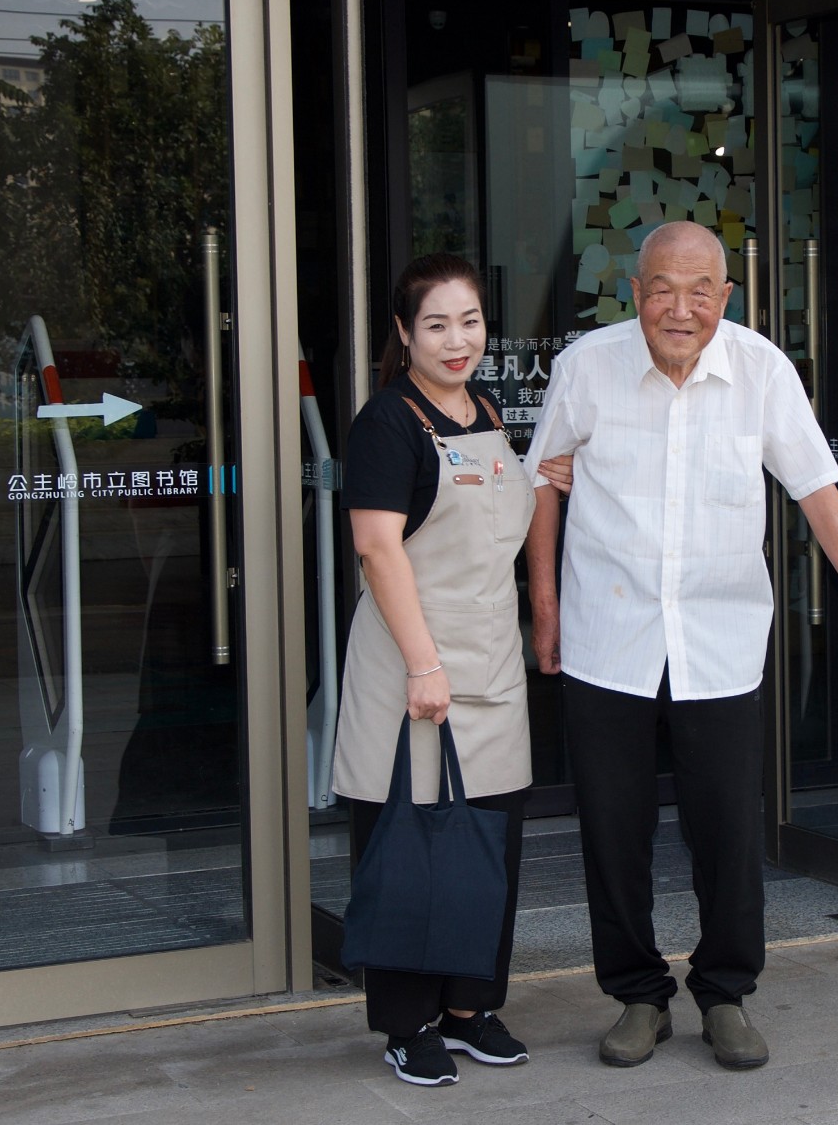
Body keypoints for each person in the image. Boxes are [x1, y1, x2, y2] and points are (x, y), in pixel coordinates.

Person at [522, 221, 838, 1072]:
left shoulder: (761, 370)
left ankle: (725, 991)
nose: (679, 308)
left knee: (727, 827)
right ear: (636, 293)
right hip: (607, 634)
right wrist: (544, 605)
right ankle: (637, 994)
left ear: (725, 297)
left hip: (720, 640)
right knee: (613, 829)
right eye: (661, 288)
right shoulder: (587, 367)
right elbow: (544, 481)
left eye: (700, 291)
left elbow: (815, 485)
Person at [332, 253, 542, 1087]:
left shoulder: (484, 407)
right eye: (437, 325)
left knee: (488, 845)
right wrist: (423, 665)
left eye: (471, 322)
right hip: (414, 668)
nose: (458, 340)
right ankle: (407, 1022)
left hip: (492, 663)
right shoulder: (388, 423)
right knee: (412, 850)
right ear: (403, 332)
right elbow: (378, 548)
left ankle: (470, 1008)